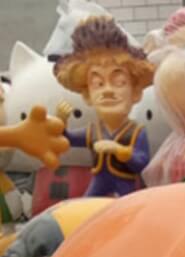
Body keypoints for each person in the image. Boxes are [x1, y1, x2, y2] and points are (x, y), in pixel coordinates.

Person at [53, 16, 154, 197]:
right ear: (88, 95)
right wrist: (61, 120)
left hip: (126, 185)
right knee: (86, 209)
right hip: (98, 182)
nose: (107, 91)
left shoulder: (136, 132)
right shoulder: (93, 131)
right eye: (98, 84)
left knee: (128, 213)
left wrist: (120, 151)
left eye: (119, 82)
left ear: (135, 93)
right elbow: (66, 139)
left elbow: (142, 162)